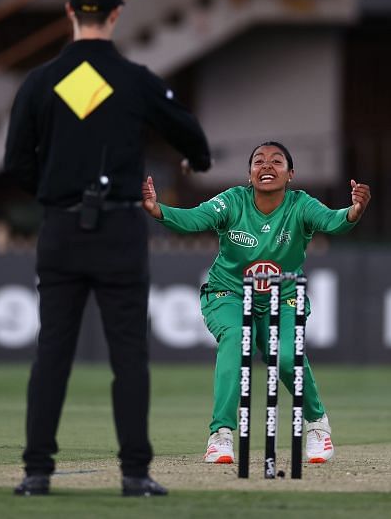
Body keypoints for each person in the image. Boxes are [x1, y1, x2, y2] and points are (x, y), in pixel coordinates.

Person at [4, 0, 211, 497]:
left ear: (71, 12)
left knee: (52, 352)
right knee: (129, 357)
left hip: (60, 230)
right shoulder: (136, 79)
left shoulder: (40, 81)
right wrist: (192, 158)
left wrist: (56, 189)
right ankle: (135, 474)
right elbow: (193, 138)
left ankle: (37, 472)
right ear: (117, 14)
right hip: (119, 230)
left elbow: (16, 165)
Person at [141, 141, 371, 465]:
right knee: (236, 338)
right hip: (229, 293)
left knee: (286, 358)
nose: (267, 166)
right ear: (249, 174)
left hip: (284, 296)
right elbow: (194, 219)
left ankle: (317, 425)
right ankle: (220, 436)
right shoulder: (232, 202)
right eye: (258, 161)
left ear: (291, 174)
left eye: (277, 161)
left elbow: (333, 220)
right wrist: (157, 210)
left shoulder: (299, 205)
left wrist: (354, 211)